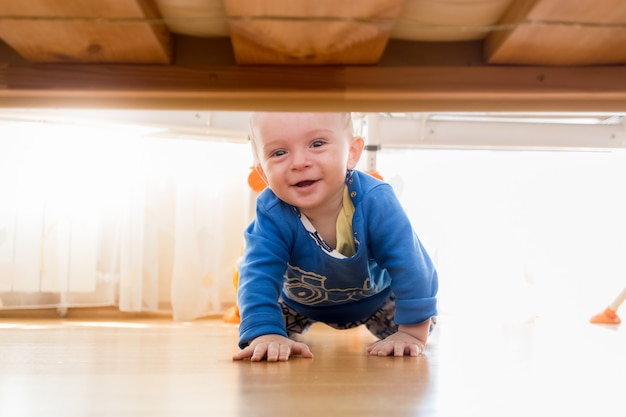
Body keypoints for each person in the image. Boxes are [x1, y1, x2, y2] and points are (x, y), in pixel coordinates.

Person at [232, 112, 438, 362]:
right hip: (297, 305)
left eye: (317, 144)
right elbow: (257, 274)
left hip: (377, 301)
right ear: (263, 174)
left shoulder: (376, 199)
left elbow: (412, 265)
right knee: (265, 331)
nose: (299, 162)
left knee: (415, 326)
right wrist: (265, 333)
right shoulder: (272, 212)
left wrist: (413, 334)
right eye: (279, 153)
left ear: (351, 153)